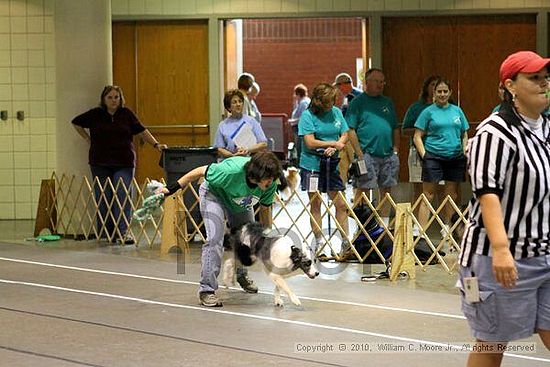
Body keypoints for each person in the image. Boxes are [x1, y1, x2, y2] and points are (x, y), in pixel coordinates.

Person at [459, 51, 550, 367]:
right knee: (491, 342)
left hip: (544, 252)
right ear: (511, 85)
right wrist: (500, 249)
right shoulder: (494, 132)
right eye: (534, 78)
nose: (543, 83)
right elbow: (487, 194)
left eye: (545, 77)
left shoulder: (547, 130)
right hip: (497, 258)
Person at [158, 152, 281, 307]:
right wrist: (172, 188)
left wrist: (267, 235)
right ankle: (206, 290)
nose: (272, 181)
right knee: (214, 240)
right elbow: (200, 171)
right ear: (258, 174)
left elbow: (265, 209)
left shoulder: (270, 184)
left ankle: (241, 275)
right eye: (269, 178)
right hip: (214, 196)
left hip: (239, 203)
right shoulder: (231, 171)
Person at [71, 85, 167, 244]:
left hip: (124, 162)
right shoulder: (95, 114)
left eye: (116, 97)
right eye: (110, 97)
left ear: (120, 99)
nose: (113, 100)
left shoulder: (126, 114)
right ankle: (105, 232)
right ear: (103, 99)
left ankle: (123, 232)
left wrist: (156, 145)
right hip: (99, 161)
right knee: (103, 196)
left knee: (123, 195)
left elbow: (142, 130)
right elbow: (76, 122)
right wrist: (87, 139)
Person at [413, 78, 469, 238]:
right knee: (428, 194)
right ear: (434, 93)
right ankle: (421, 233)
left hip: (455, 157)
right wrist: (425, 155)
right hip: (433, 156)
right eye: (439, 91)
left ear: (450, 92)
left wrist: (464, 149)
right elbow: (417, 136)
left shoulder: (457, 111)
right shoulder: (428, 112)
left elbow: (464, 133)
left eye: (445, 91)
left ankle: (448, 230)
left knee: (451, 195)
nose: (442, 94)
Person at [298, 83, 349, 256]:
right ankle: (319, 242)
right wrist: (331, 143)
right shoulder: (307, 115)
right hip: (312, 164)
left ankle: (345, 243)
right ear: (319, 101)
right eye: (327, 102)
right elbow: (310, 142)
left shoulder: (336, 112)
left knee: (341, 205)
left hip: (332, 164)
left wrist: (338, 146)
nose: (331, 105)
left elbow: (344, 132)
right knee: (316, 203)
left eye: (332, 101)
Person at [346, 68, 399, 223]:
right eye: (376, 81)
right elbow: (350, 129)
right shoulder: (357, 103)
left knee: (386, 191)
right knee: (363, 190)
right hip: (367, 154)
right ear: (367, 82)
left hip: (388, 154)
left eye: (382, 81)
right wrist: (359, 153)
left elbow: (395, 127)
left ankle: (383, 227)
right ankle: (362, 228)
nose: (380, 84)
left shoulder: (387, 102)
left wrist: (395, 150)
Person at [402, 75, 439, 235]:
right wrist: (422, 130)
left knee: (444, 190)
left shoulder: (448, 107)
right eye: (432, 84)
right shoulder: (417, 108)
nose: (436, 88)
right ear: (427, 88)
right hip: (417, 152)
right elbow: (405, 130)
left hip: (440, 153)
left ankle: (446, 228)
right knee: (418, 190)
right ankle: (415, 227)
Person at [214, 89, 267, 159]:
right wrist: (232, 156)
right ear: (229, 107)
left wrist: (247, 150)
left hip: (250, 160)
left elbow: (263, 143)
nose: (238, 104)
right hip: (230, 160)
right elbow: (219, 148)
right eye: (234, 102)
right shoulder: (223, 125)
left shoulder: (251, 121)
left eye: (240, 101)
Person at [334, 72, 362, 184]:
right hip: (345, 136)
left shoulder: (357, 96)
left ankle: (359, 196)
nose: (338, 90)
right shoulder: (348, 97)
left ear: (345, 84)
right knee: (342, 164)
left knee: (356, 165)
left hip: (354, 135)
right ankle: (341, 191)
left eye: (339, 86)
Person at [288, 83, 311, 165]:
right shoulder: (302, 102)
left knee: (300, 148)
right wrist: (295, 101)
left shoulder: (304, 103)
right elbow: (295, 112)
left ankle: (301, 166)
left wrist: (292, 121)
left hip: (300, 129)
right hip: (299, 128)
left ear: (298, 94)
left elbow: (303, 117)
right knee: (299, 148)